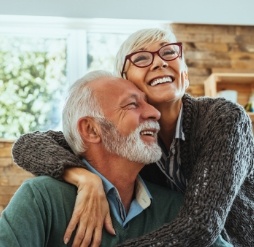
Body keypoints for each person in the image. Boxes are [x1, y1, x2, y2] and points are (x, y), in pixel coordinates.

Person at [12, 28, 254, 247]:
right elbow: (29, 145)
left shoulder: (224, 119)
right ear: (125, 82)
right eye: (141, 58)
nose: (160, 62)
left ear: (186, 75)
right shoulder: (131, 138)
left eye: (169, 53)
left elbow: (200, 227)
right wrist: (84, 178)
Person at [0, 70, 185, 246]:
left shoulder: (175, 207)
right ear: (91, 129)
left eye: (147, 103)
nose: (155, 113)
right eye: (132, 105)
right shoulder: (42, 198)